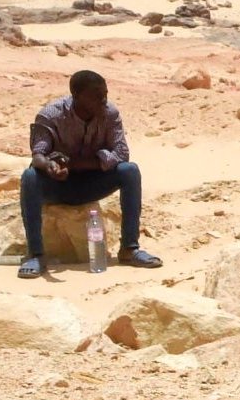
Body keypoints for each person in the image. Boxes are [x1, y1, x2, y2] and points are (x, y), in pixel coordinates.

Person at [18, 69, 162, 278]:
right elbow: (38, 155)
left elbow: (122, 154)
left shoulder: (110, 113)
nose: (103, 99)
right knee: (30, 177)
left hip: (92, 182)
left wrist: (76, 163)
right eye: (96, 95)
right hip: (58, 183)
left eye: (105, 93)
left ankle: (130, 249)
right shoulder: (51, 114)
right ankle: (36, 255)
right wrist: (49, 165)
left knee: (129, 171)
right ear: (76, 95)